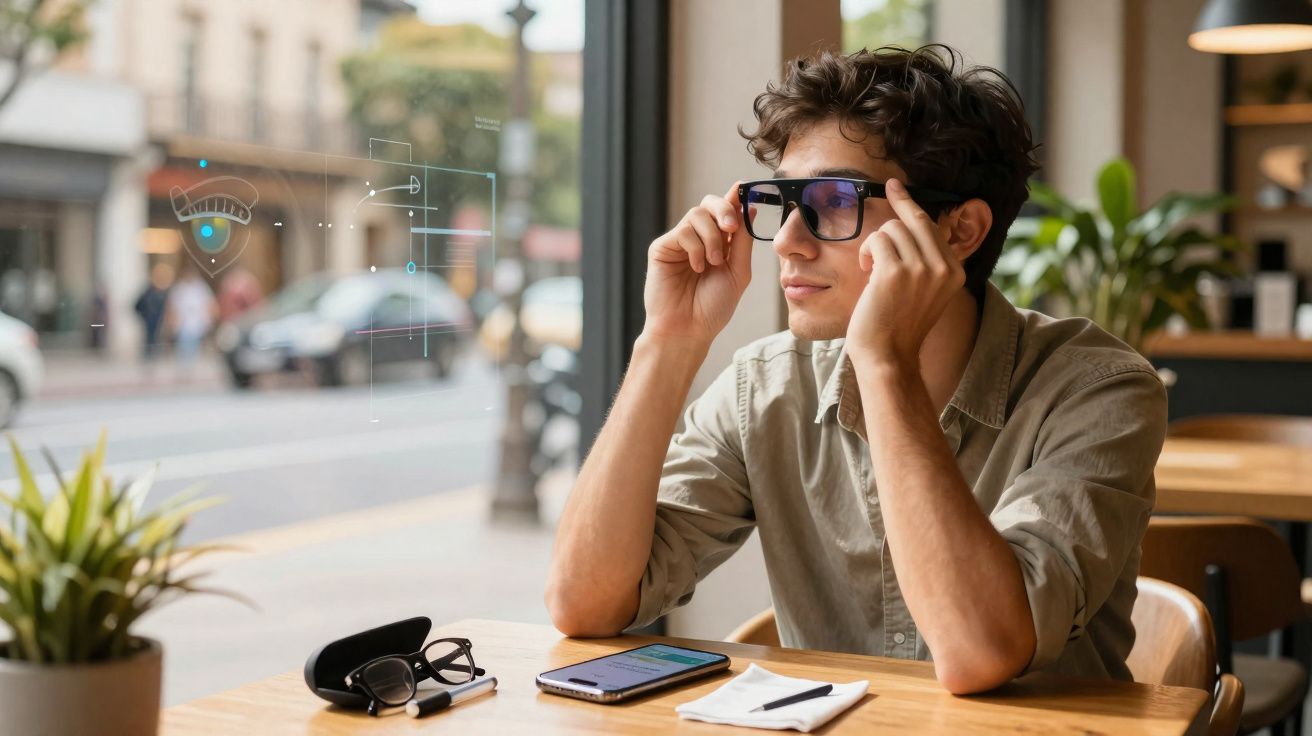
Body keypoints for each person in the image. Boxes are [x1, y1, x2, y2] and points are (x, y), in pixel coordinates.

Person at [545, 45, 1167, 695]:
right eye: (785, 201)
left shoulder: (1099, 389)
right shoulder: (766, 386)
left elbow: (979, 652)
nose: (788, 240)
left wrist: (885, 361)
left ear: (960, 232)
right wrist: (667, 341)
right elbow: (583, 604)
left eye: (834, 201)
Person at [166, 262, 217, 371]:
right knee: (183, 346)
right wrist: (172, 322)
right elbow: (173, 306)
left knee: (194, 347)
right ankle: (184, 368)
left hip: (197, 324)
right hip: (183, 324)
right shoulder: (179, 289)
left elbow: (209, 304)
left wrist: (209, 320)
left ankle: (192, 367)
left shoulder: (201, 288)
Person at [135, 262, 174, 361]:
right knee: (149, 341)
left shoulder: (166, 293)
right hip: (149, 323)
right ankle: (148, 359)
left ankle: (155, 359)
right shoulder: (148, 292)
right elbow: (137, 306)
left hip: (160, 324)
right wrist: (144, 316)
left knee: (158, 342)